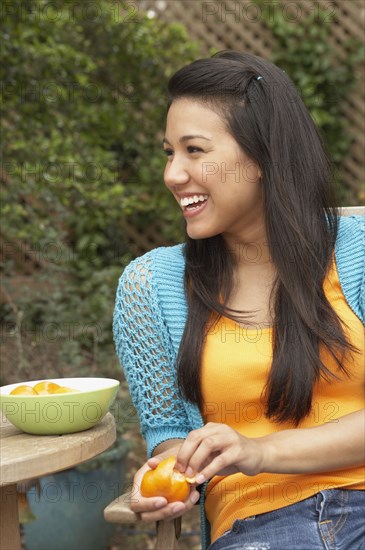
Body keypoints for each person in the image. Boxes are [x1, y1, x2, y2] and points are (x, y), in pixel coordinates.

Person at [113, 51, 364, 550]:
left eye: (194, 150)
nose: (173, 174)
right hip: (263, 525)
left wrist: (259, 450)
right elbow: (169, 440)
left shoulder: (358, 253)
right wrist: (170, 473)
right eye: (169, 152)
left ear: (262, 155)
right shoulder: (149, 286)